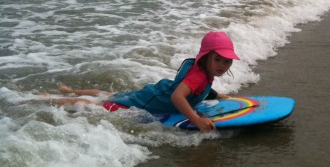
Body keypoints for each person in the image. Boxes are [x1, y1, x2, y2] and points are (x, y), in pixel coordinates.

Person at [51, 31, 239, 132]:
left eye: (227, 60)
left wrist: (216, 95)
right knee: (104, 105)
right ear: (206, 57)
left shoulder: (204, 70)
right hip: (148, 101)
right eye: (218, 59)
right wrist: (196, 119)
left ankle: (70, 90)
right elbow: (178, 97)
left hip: (153, 93)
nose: (223, 65)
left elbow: (198, 89)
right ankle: (51, 99)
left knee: (111, 95)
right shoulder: (198, 75)